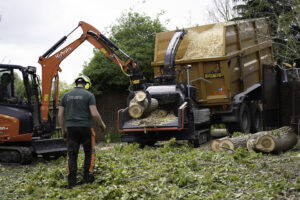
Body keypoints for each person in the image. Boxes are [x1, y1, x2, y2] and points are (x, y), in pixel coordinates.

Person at [58, 75, 106, 189]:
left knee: (72, 155)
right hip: (85, 128)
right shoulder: (89, 95)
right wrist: (102, 125)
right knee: (89, 153)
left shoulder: (65, 96)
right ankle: (87, 179)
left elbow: (60, 115)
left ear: (76, 83)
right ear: (87, 84)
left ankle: (71, 183)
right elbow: (94, 114)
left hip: (71, 129)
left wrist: (63, 130)